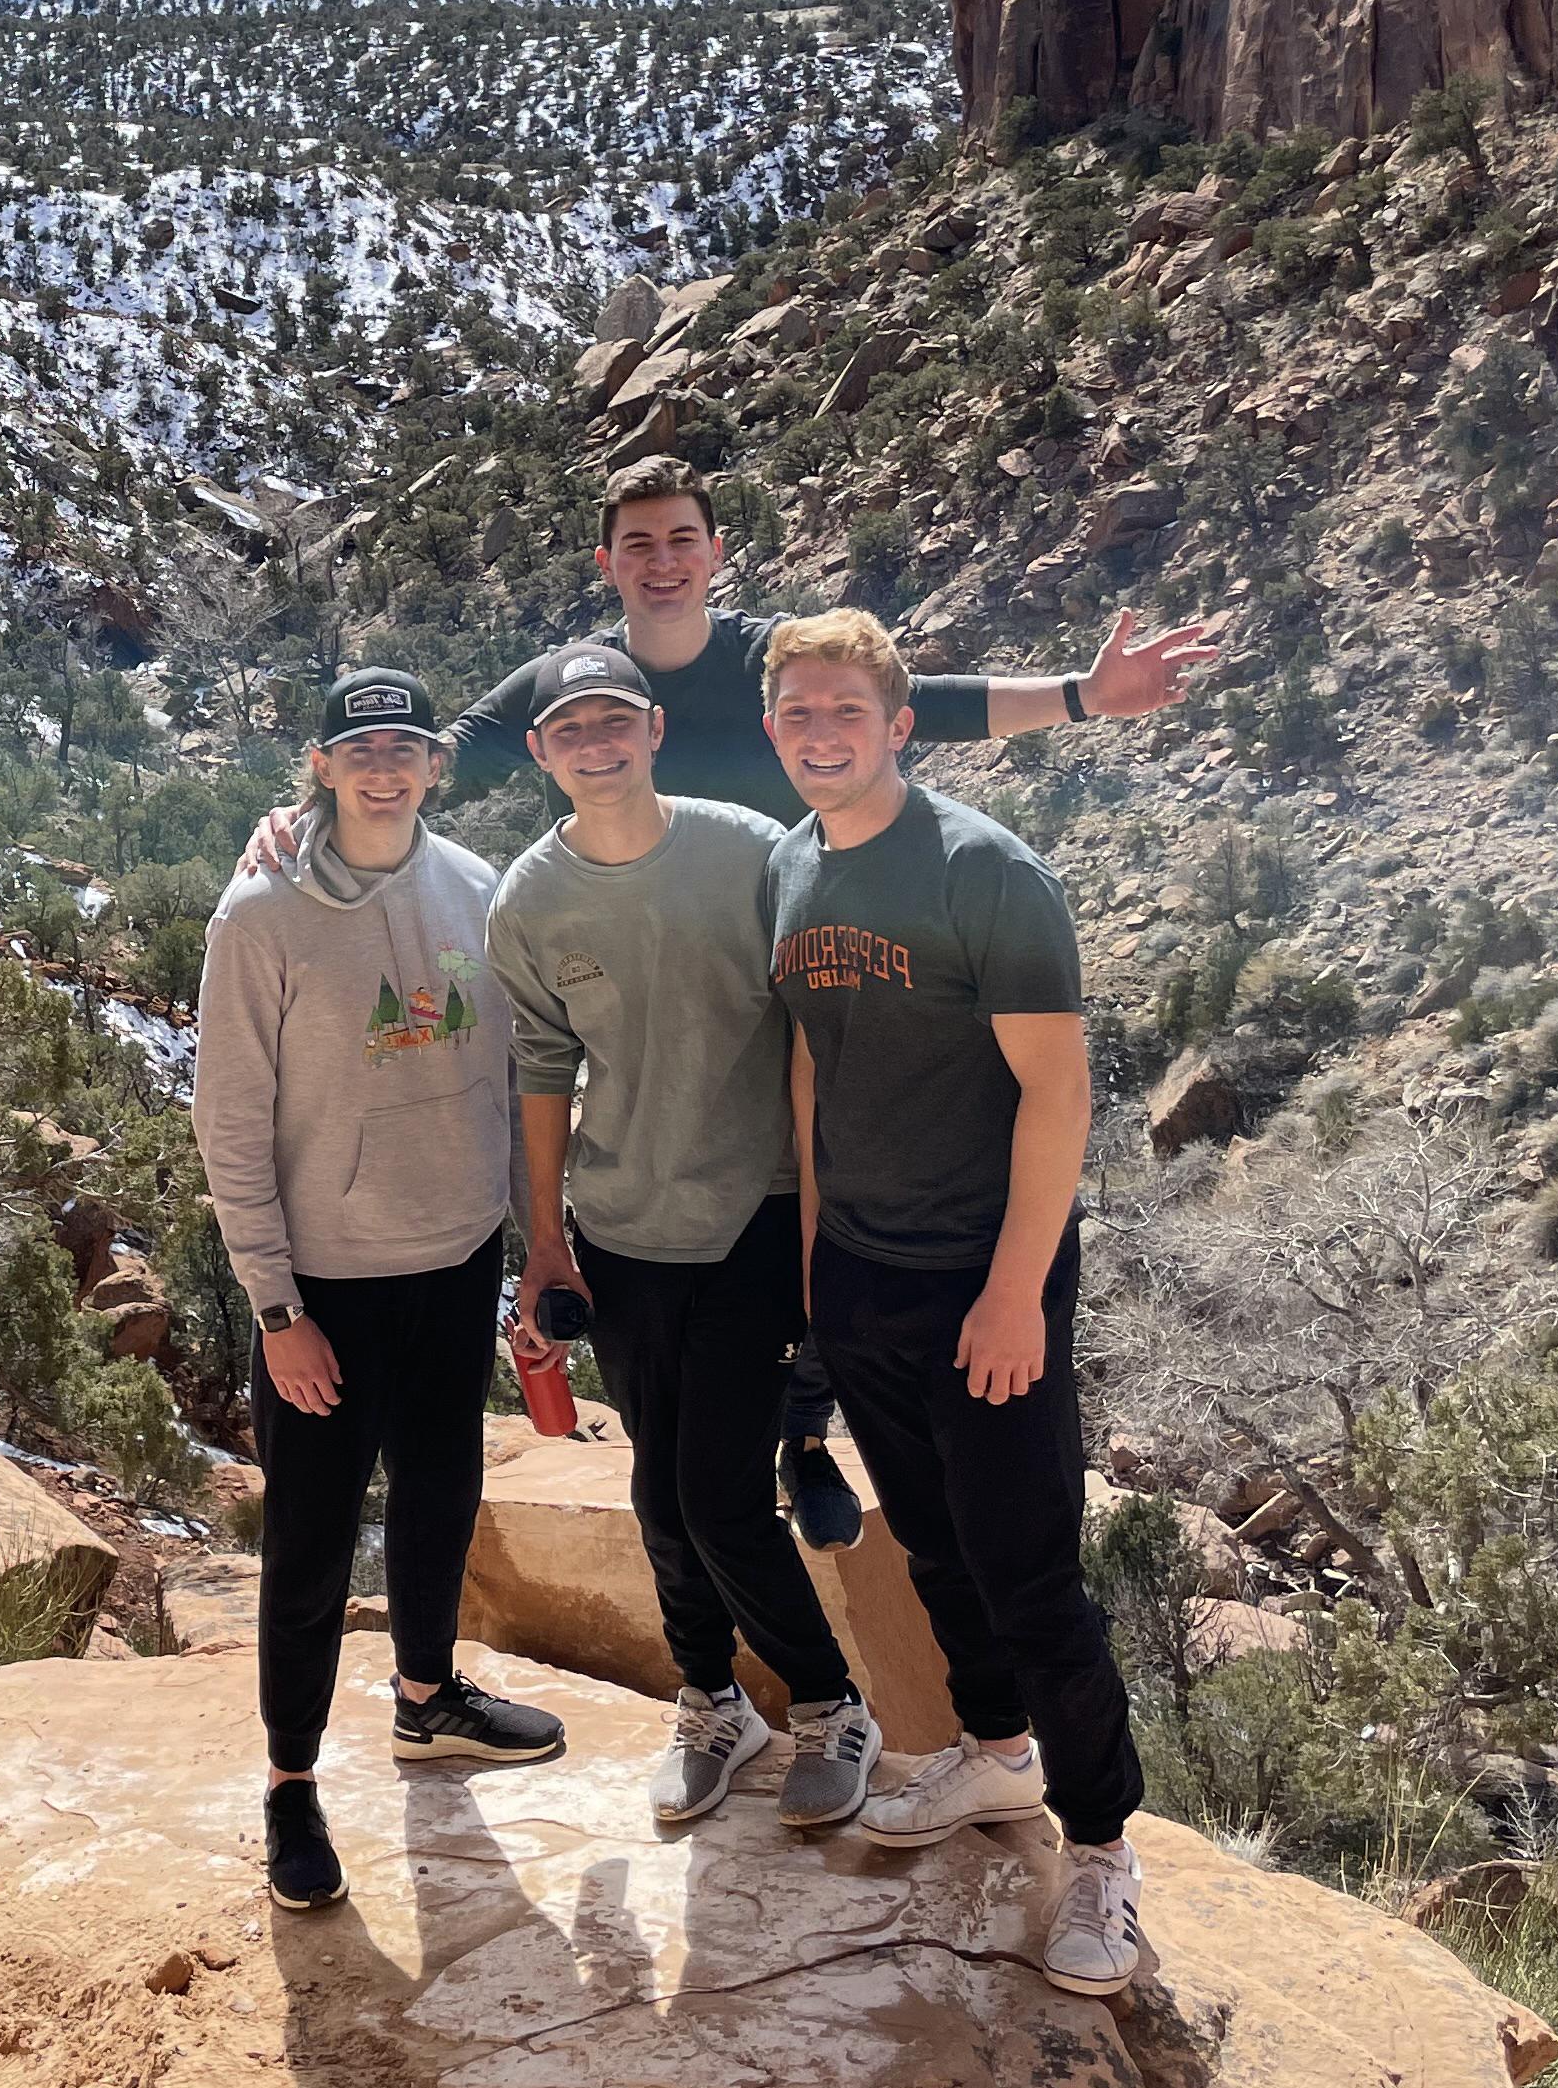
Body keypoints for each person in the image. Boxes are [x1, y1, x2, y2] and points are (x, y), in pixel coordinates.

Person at [442, 457, 1221, 1550]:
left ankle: (806, 1436)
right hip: (695, 986)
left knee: (826, 1199)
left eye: (682, 540)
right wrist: (313, 807)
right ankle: (771, 1446)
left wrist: (1087, 696)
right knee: (764, 1226)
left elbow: (922, 707)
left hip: (814, 971)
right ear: (607, 563)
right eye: (639, 544)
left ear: (717, 553)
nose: (662, 562)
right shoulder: (576, 678)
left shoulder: (768, 652)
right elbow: (450, 754)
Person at [762, 608, 1149, 1998]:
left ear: (900, 724)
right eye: (798, 712)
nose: (821, 733)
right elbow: (814, 1077)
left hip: (987, 1277)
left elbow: (1059, 1091)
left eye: (845, 713)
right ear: (774, 729)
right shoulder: (793, 870)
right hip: (863, 1274)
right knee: (932, 1549)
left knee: (1033, 1574)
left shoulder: (987, 873)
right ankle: (995, 1761)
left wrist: (1015, 1295)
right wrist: (817, 1261)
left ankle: (1103, 1848)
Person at [193, 665, 564, 1918]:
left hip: (454, 1260)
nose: (385, 770)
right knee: (305, 1550)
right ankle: (291, 1787)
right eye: (362, 752)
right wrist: (277, 1311)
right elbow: (230, 1127)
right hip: (328, 1295)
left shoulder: (478, 891)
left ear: (432, 766)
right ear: (322, 765)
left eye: (405, 747)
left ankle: (426, 1703)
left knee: (441, 1495)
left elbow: (518, 1088)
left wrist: (534, 1250)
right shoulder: (260, 918)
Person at [488, 642, 879, 1831]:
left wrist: (826, 1224)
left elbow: (822, 1034)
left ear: (654, 731)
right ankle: (711, 1701)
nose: (595, 744)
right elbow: (543, 1072)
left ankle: (832, 1706)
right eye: (571, 730)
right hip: (618, 1232)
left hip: (756, 1217)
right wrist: (544, 1240)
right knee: (659, 1499)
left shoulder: (754, 854)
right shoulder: (531, 902)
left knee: (714, 1499)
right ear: (540, 752)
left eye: (616, 722)